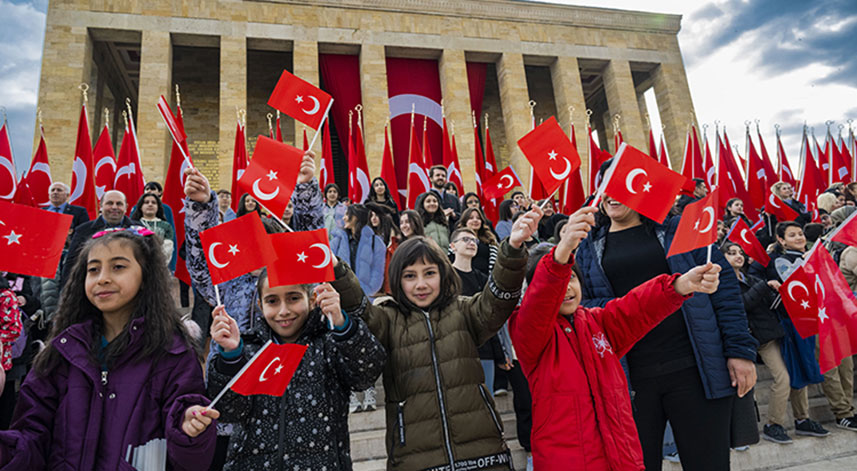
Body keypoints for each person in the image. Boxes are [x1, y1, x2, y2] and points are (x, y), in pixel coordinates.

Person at [575, 160, 758, 471]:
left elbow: (725, 289)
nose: (610, 194)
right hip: (629, 379)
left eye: (619, 184)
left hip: (695, 370)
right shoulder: (587, 247)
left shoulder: (679, 229)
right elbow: (584, 307)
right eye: (605, 186)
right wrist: (640, 302)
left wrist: (740, 352)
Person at [329, 205, 544, 470]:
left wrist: (512, 248)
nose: (421, 284)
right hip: (415, 459)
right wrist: (337, 269)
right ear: (397, 280)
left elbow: (497, 300)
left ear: (443, 274)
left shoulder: (464, 310)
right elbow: (360, 307)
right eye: (410, 276)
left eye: (429, 273)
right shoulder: (387, 318)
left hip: (483, 454)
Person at [511, 206, 722, 470]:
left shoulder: (595, 321)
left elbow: (635, 308)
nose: (567, 289)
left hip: (620, 458)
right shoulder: (529, 331)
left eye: (573, 279)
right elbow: (541, 300)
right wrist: (562, 251)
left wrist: (681, 286)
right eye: (560, 280)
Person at [0, 228, 217, 469]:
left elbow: (192, 458)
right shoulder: (62, 352)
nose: (102, 278)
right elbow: (30, 437)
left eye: (118, 267)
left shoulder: (174, 353)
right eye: (93, 269)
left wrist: (188, 430)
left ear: (146, 276)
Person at [207, 277, 385, 469]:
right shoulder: (249, 351)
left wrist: (343, 325)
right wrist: (231, 356)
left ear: (311, 300)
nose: (284, 311)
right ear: (260, 304)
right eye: (272, 301)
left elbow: (366, 374)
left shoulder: (329, 344)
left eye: (293, 298)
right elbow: (228, 411)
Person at [721, 242, 795, 443]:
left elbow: (766, 305)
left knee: (783, 379)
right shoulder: (720, 283)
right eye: (732, 253)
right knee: (744, 385)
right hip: (741, 341)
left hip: (765, 337)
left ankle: (774, 423)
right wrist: (763, 287)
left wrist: (775, 293)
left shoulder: (752, 278)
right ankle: (741, 429)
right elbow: (741, 305)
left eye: (740, 253)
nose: (738, 256)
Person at [765, 221, 830, 437]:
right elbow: (790, 282)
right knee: (792, 371)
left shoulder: (811, 256)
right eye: (792, 235)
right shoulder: (778, 260)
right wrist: (806, 263)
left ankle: (803, 419)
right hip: (789, 324)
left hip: (810, 321)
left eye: (800, 233)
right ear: (781, 240)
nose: (799, 237)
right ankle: (775, 423)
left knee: (803, 367)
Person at [62, 190, 141, 288]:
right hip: (94, 287)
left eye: (119, 204)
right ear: (101, 205)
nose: (114, 207)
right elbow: (72, 263)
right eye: (109, 203)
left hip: (129, 288)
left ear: (126, 207)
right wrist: (67, 290)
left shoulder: (139, 229)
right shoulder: (84, 230)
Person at [130, 193, 176, 263]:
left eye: (154, 203)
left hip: (160, 264)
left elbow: (168, 248)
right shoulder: (133, 226)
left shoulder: (166, 226)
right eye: (146, 202)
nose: (150, 204)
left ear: (158, 207)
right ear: (140, 207)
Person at [455, 207, 499, 275]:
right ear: (465, 221)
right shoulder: (457, 239)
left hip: (486, 281)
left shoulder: (490, 239)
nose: (475, 220)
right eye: (471, 218)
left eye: (478, 218)